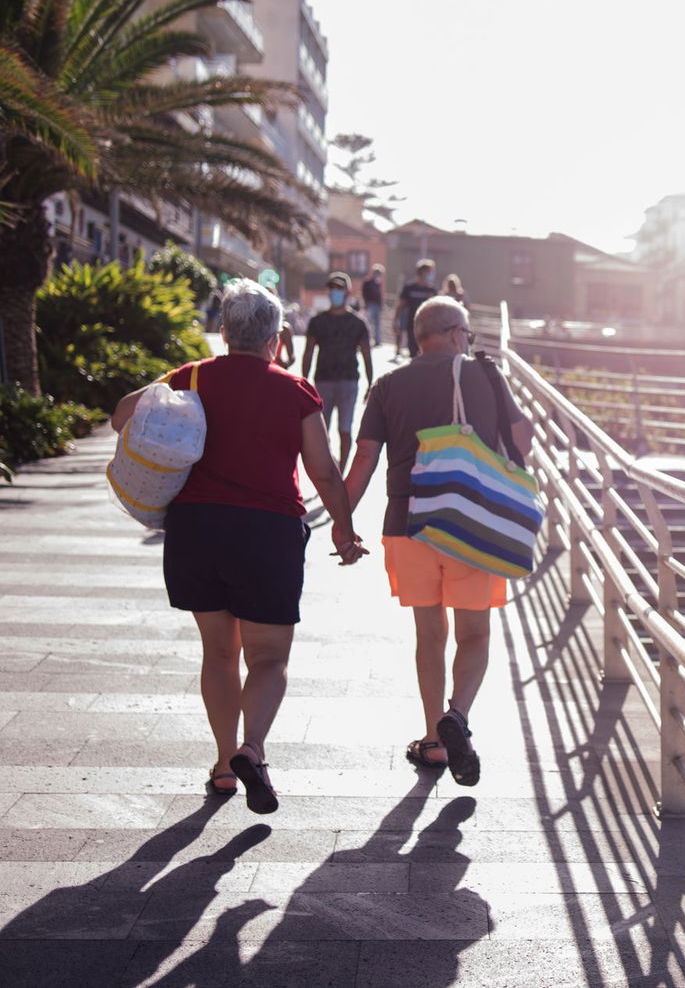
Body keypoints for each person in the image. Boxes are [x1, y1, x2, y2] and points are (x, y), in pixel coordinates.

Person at [109, 281, 366, 815]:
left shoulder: (193, 376)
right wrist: (344, 528)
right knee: (268, 657)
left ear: (224, 331)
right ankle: (254, 749)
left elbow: (121, 416)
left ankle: (225, 765)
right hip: (267, 534)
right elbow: (321, 469)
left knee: (218, 653)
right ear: (277, 337)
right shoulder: (295, 390)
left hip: (196, 530)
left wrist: (181, 376)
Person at [344, 298, 533, 787]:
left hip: (407, 523)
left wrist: (342, 523)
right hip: (471, 521)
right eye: (467, 335)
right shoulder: (485, 376)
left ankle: (432, 741)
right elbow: (521, 437)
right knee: (475, 634)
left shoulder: (388, 385)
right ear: (454, 333)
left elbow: (364, 459)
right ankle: (458, 717)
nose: (468, 343)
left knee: (429, 636)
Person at [302, 273, 374, 472]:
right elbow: (308, 352)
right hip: (323, 379)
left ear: (347, 292)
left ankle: (341, 471)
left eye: (339, 288)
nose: (335, 292)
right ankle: (326, 468)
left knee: (345, 429)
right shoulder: (318, 321)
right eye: (332, 288)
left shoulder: (358, 323)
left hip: (348, 381)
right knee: (321, 430)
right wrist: (303, 381)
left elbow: (367, 354)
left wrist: (370, 383)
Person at [394, 258, 438, 359]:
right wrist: (395, 321)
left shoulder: (431, 289)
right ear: (423, 272)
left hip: (428, 327)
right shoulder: (409, 288)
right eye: (430, 272)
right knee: (413, 354)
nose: (432, 274)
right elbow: (400, 305)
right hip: (412, 325)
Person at [361, 264, 386, 347]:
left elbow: (379, 295)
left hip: (377, 305)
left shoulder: (378, 283)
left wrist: (381, 304)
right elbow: (364, 293)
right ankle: (367, 339)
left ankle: (377, 340)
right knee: (368, 323)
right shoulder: (367, 282)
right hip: (370, 305)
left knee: (378, 323)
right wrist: (365, 303)